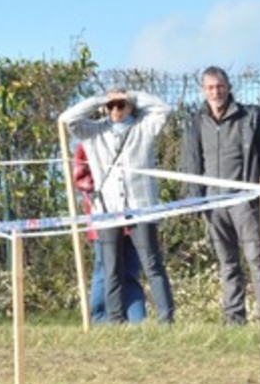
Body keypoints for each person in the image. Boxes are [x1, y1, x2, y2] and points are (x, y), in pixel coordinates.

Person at [59, 88, 175, 324]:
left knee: (152, 265)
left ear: (130, 106)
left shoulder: (144, 127)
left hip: (141, 208)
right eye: (111, 106)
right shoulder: (93, 132)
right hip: (107, 210)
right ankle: (115, 321)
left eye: (121, 104)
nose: (116, 110)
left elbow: (164, 109)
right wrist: (100, 99)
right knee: (111, 268)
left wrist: (132, 95)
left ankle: (166, 320)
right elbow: (67, 118)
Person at [181, 67, 260, 325]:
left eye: (220, 86)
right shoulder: (195, 122)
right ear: (203, 91)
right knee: (227, 263)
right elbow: (191, 163)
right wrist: (195, 199)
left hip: (244, 202)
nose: (216, 92)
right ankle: (234, 319)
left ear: (228, 87)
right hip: (212, 204)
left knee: (257, 260)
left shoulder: (250, 117)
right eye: (211, 87)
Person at [74, 142, 146, 323]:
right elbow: (82, 177)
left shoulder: (132, 138)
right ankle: (101, 319)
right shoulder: (90, 141)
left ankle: (137, 321)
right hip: (104, 216)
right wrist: (106, 189)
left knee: (131, 271)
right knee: (106, 270)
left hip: (133, 215)